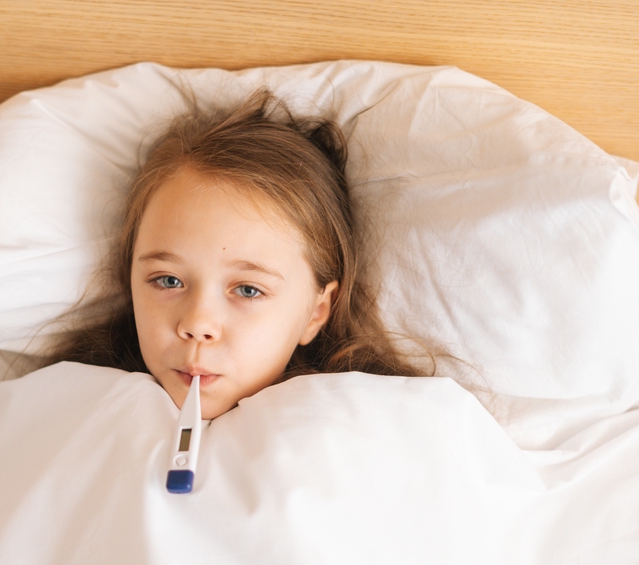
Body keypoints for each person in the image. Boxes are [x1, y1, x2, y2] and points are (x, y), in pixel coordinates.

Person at [38, 89, 424, 419]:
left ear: (317, 311)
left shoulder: (372, 426)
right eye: (168, 280)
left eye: (248, 290)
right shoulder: (60, 410)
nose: (198, 323)